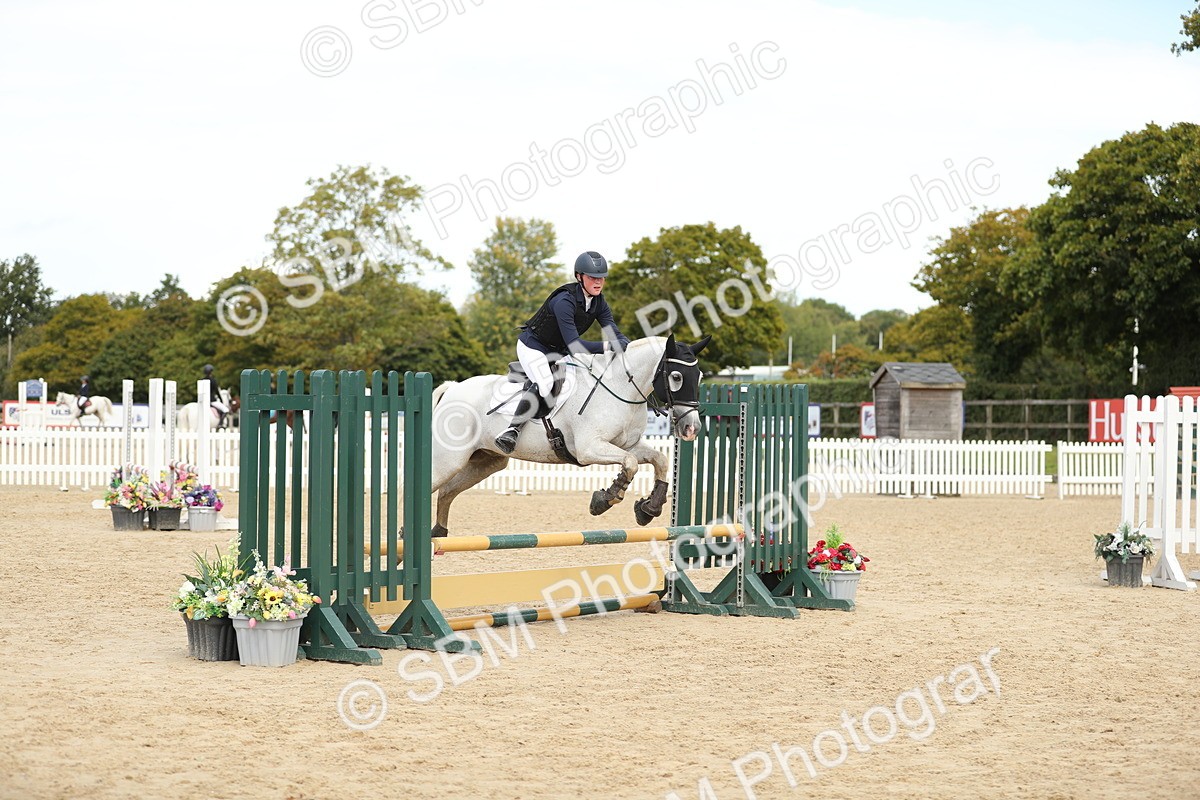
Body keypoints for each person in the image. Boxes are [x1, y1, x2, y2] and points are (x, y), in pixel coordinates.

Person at [494, 250, 630, 454]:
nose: (598, 282)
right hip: (534, 347)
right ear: (579, 276)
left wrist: (623, 342)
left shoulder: (599, 302)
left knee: (586, 377)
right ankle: (512, 430)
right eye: (593, 277)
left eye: (601, 278)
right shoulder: (564, 301)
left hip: (559, 350)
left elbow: (612, 331)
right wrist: (609, 347)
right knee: (546, 382)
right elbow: (576, 346)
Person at [201, 364, 230, 429]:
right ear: (211, 371)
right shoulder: (213, 380)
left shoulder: (202, 380)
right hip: (212, 401)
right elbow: (217, 391)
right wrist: (221, 400)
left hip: (203, 400)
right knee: (226, 410)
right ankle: (220, 423)